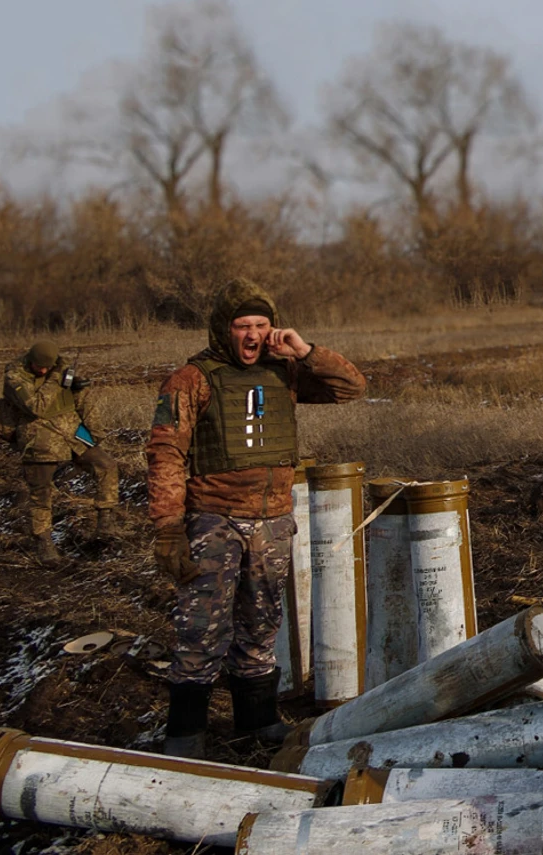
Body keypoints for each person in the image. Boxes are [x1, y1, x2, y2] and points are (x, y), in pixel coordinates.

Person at [145, 278, 365, 757]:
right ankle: (185, 732)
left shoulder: (284, 371)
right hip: (212, 521)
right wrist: (167, 528)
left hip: (271, 521)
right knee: (201, 626)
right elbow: (165, 451)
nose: (251, 335)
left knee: (262, 622)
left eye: (260, 325)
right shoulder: (192, 379)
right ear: (223, 329)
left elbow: (351, 387)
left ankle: (259, 719)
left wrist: (303, 350)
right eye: (242, 325)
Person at [1, 340, 120, 565]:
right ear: (30, 361)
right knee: (41, 495)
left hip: (72, 434)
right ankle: (44, 544)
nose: (44, 371)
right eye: (39, 367)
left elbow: (82, 401)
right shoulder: (14, 377)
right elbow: (36, 406)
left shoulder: (63, 370)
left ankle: (106, 523)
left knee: (107, 466)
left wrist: (95, 432)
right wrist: (57, 379)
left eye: (48, 367)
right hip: (38, 439)